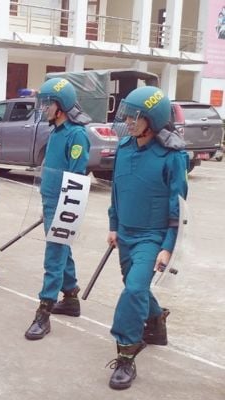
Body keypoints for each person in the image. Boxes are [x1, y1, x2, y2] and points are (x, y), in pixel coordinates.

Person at [105, 86, 188, 390]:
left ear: (151, 119)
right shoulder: (125, 148)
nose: (127, 120)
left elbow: (179, 209)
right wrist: (113, 225)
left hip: (152, 237)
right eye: (126, 114)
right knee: (134, 288)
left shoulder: (172, 156)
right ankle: (156, 321)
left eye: (134, 116)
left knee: (133, 290)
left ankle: (126, 354)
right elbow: (117, 190)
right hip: (125, 233)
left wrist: (168, 247)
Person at [24, 78, 91, 340]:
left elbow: (76, 177)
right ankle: (71, 297)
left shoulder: (76, 134)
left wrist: (63, 210)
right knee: (62, 250)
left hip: (65, 203)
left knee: (54, 256)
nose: (43, 109)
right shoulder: (57, 131)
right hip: (50, 201)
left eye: (47, 104)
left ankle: (44, 311)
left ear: (60, 106)